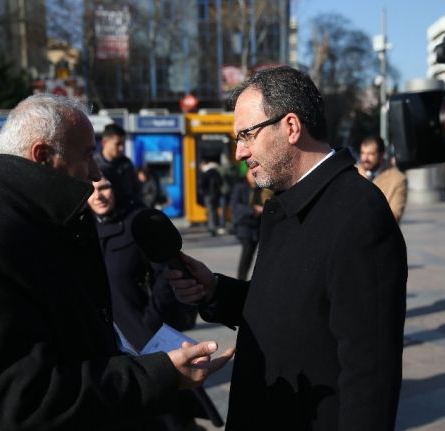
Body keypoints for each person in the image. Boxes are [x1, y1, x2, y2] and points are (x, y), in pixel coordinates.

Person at [0, 94, 233, 430]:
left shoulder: (36, 223)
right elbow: (27, 400)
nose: (96, 172)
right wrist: (157, 374)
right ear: (42, 156)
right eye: (87, 156)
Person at [167, 66, 407, 430]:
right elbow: (292, 311)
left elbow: (370, 373)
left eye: (246, 135)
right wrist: (216, 290)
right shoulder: (290, 201)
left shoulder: (358, 212)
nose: (239, 152)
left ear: (291, 127)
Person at [87, 173, 223, 430]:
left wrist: (153, 316)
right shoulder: (83, 231)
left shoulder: (136, 223)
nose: (99, 195)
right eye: (91, 190)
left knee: (170, 415)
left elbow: (165, 273)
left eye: (104, 187)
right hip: (105, 339)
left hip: (143, 333)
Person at [230, 168, 272, 280]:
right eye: (251, 173)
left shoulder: (264, 188)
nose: (253, 175)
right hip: (245, 226)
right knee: (247, 254)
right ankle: (241, 280)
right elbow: (235, 206)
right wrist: (253, 210)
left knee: (261, 256)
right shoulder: (240, 187)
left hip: (259, 226)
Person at [356, 135, 408, 223]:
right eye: (363, 153)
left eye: (371, 154)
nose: (365, 158)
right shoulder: (354, 173)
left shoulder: (398, 179)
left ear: (382, 155)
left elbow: (395, 215)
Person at [94, 123, 141, 201]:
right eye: (118, 144)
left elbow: (136, 191)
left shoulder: (127, 164)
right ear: (104, 143)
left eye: (123, 144)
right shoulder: (93, 164)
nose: (121, 148)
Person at [198, 158, 225, 236]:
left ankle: (212, 228)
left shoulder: (205, 173)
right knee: (215, 211)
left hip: (208, 196)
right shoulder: (216, 172)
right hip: (216, 195)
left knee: (211, 211)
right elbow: (221, 182)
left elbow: (202, 185)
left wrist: (204, 193)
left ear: (204, 164)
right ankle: (216, 226)